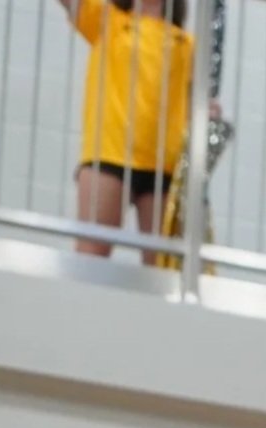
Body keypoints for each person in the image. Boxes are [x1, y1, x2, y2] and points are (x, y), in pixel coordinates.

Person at [53, 0, 197, 260]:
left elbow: (194, 103)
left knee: (163, 271)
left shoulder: (186, 43)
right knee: (89, 261)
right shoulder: (109, 20)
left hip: (165, 167)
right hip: (110, 156)